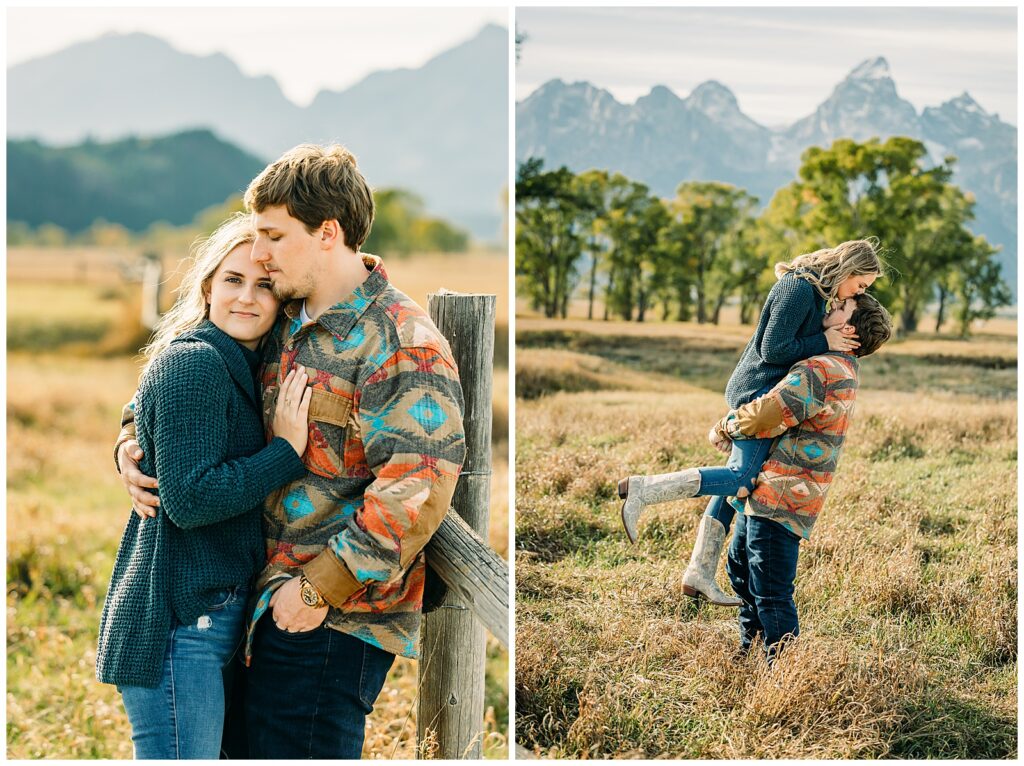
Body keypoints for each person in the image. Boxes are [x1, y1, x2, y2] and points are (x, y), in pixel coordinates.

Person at [116, 144, 467, 759]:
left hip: (330, 616)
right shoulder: (281, 318)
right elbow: (187, 388)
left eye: (274, 236)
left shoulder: (399, 341)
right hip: (249, 604)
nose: (259, 253)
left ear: (327, 233)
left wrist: (316, 590)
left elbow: (416, 487)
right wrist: (129, 440)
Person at [96, 213, 313, 759]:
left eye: (264, 285)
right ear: (208, 286)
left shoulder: (243, 364)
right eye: (233, 280)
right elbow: (190, 499)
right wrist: (285, 454)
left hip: (211, 618)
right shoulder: (195, 363)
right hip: (178, 625)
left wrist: (127, 436)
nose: (247, 297)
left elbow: (148, 415)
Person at [618, 239, 883, 605]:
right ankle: (643, 489)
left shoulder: (816, 294)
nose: (859, 293)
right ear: (848, 269)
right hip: (756, 391)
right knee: (742, 478)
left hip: (768, 394)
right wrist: (824, 339)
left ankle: (699, 572)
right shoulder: (798, 288)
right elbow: (773, 350)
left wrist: (825, 341)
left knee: (739, 486)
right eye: (861, 285)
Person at [712, 292, 893, 661]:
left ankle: (781, 668)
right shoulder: (843, 367)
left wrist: (725, 427)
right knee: (741, 568)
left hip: (782, 496)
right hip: (775, 492)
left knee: (770, 588)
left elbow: (770, 413)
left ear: (848, 329)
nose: (832, 305)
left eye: (841, 307)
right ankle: (750, 649)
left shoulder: (822, 370)